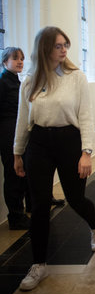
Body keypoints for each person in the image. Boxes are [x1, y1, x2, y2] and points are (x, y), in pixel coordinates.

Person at [13, 26, 95, 291]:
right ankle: (38, 264)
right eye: (58, 46)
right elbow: (22, 119)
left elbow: (86, 115)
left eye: (66, 45)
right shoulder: (30, 80)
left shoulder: (76, 77)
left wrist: (87, 152)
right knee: (39, 204)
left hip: (68, 140)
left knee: (75, 198)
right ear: (45, 49)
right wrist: (18, 153)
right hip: (38, 143)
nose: (64, 50)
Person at [0, 47, 30, 230]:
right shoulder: (3, 82)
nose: (20, 61)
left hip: (17, 133)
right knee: (13, 176)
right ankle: (15, 216)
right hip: (7, 135)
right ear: (5, 62)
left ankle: (22, 211)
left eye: (22, 58)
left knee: (20, 175)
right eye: (15, 58)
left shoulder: (16, 81)